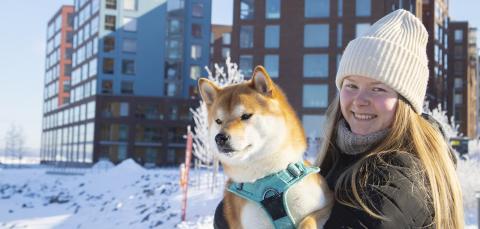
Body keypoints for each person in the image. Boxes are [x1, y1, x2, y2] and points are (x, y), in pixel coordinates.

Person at [214, 9, 464, 228]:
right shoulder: (340, 158)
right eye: (351, 85)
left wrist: (232, 214)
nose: (360, 99)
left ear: (406, 103)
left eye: (378, 89)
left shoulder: (400, 178)